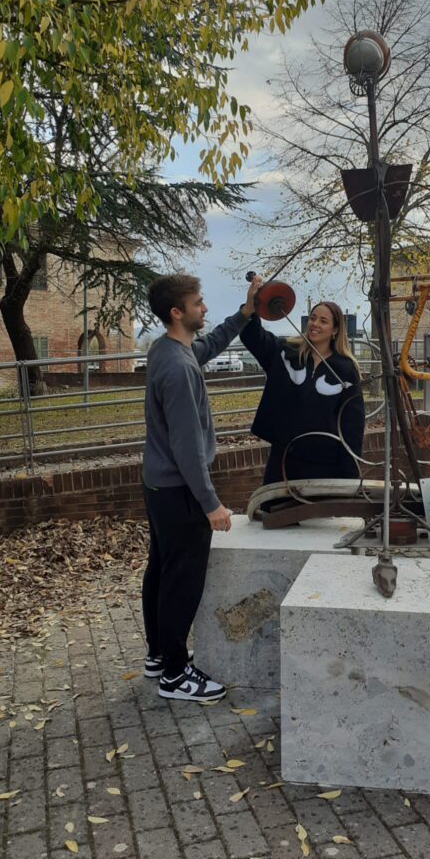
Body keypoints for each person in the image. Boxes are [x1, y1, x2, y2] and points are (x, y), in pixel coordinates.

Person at [142, 272, 262, 703]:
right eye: (198, 303)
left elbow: (208, 345)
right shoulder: (177, 368)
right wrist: (210, 504)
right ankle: (175, 675)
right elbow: (188, 447)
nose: (205, 308)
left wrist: (247, 312)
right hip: (180, 491)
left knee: (161, 571)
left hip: (159, 487)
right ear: (178, 312)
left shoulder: (169, 350)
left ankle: (159, 655)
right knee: (182, 581)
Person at [241, 299, 365, 487]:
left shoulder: (346, 370)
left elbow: (352, 425)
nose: (315, 324)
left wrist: (349, 475)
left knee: (318, 516)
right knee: (275, 512)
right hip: (283, 460)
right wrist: (252, 303)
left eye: (323, 321)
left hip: (324, 464)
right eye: (313, 318)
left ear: (335, 330)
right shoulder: (286, 353)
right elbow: (252, 335)